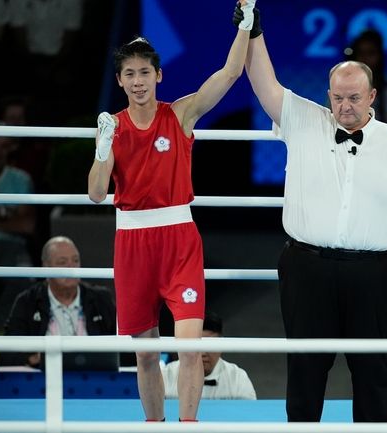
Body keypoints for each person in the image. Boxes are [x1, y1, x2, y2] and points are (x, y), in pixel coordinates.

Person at [242, 7, 387, 422]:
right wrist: (252, 31)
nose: (344, 107)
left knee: (372, 372)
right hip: (307, 267)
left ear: (371, 97)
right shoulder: (303, 121)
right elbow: (264, 84)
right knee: (306, 370)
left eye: (353, 98)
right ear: (328, 94)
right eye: (337, 97)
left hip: (378, 273)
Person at [86, 1, 257, 422]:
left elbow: (229, 75)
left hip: (179, 238)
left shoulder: (179, 114)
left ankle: (188, 426)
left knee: (189, 346)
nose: (139, 80)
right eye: (130, 74)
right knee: (146, 354)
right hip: (132, 243)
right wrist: (102, 148)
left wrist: (246, 27)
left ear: (158, 75)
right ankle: (154, 426)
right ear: (120, 81)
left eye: (145, 72)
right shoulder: (112, 127)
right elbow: (94, 194)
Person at [0, 236, 116, 367]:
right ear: (46, 267)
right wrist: (36, 358)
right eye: (62, 262)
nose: (72, 268)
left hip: (94, 378)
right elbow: (6, 357)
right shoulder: (27, 301)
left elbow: (123, 352)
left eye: (76, 260)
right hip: (44, 380)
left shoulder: (101, 298)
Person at [0, 121, 36, 336]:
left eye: (3, 146)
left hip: (12, 247)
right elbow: (18, 220)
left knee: (25, 280)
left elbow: (27, 224)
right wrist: (5, 212)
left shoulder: (21, 179)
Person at [162, 312, 256, 400]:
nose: (203, 353)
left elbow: (250, 415)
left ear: (221, 344)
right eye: (197, 344)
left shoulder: (238, 378)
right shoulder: (167, 375)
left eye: (209, 344)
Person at [345, 29, 387, 128]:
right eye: (361, 53)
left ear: (380, 56)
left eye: (371, 53)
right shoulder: (342, 91)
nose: (365, 59)